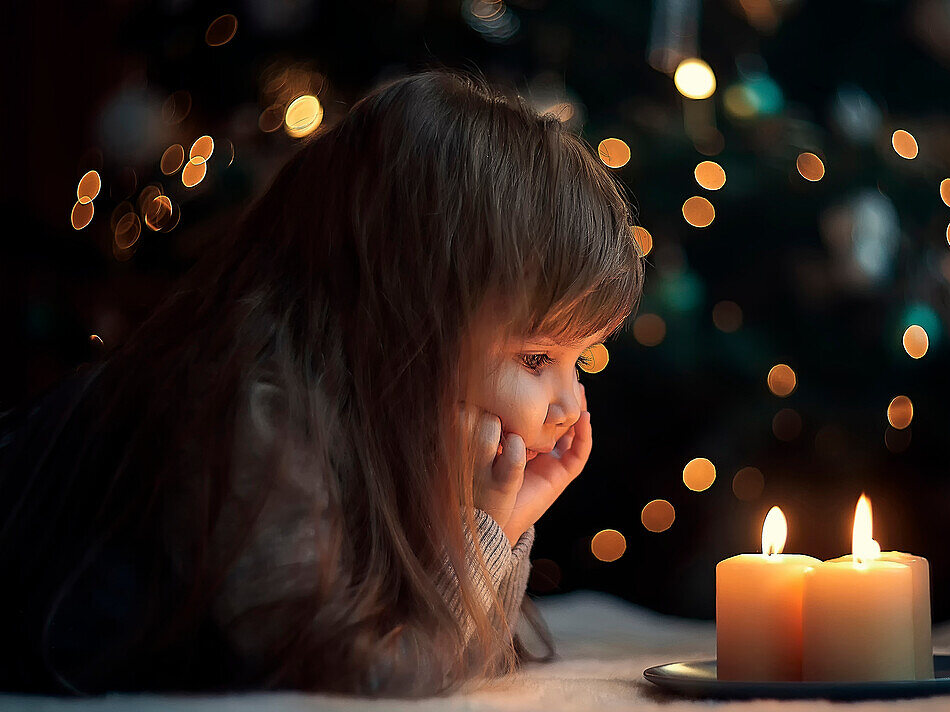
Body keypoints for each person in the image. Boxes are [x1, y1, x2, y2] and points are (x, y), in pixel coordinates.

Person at [0, 68, 644, 697]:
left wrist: (499, 525)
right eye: (536, 361)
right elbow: (356, 678)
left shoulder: (398, 424)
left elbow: (467, 654)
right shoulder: (257, 416)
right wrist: (482, 538)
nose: (567, 408)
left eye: (579, 361)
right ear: (409, 314)